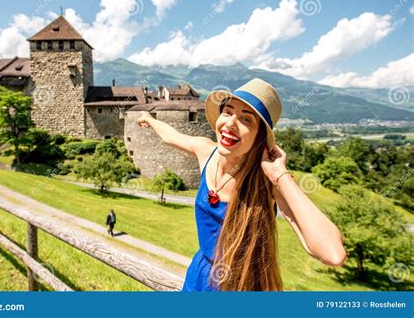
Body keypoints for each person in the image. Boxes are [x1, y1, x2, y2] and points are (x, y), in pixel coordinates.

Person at [137, 78, 347, 291]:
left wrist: (281, 175)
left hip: (239, 285)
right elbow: (171, 136)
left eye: (246, 120)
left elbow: (332, 253)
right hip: (198, 278)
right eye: (227, 112)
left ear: (260, 138)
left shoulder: (265, 183)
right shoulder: (206, 152)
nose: (229, 124)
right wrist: (149, 119)